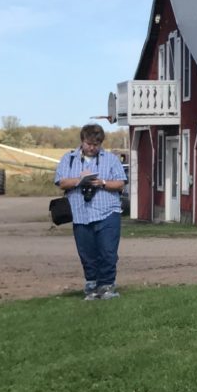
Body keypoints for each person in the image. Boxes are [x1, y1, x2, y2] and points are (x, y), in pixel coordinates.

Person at [54, 123, 128, 301]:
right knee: (87, 253)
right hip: (80, 214)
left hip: (108, 211)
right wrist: (80, 180)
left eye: (96, 144)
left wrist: (101, 183)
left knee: (108, 251)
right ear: (82, 141)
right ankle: (92, 285)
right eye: (89, 144)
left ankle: (108, 285)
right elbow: (61, 182)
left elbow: (120, 183)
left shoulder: (110, 159)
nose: (92, 148)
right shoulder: (68, 159)